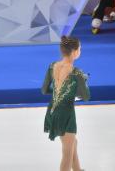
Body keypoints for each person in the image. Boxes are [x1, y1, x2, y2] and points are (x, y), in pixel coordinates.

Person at [41, 36, 90, 171]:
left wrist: (62, 93)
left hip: (52, 111)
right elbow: (85, 96)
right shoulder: (76, 73)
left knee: (73, 142)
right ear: (74, 52)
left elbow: (44, 90)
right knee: (67, 153)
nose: (80, 50)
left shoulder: (52, 66)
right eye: (80, 48)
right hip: (66, 114)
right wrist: (84, 82)